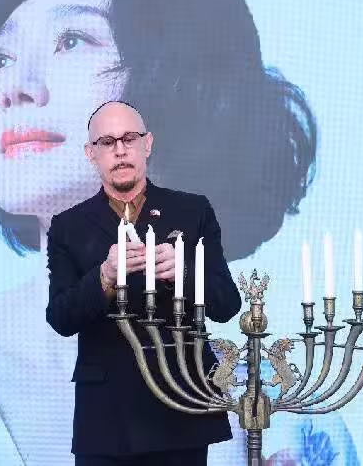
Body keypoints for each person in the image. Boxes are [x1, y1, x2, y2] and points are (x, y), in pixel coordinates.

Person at [0, 0, 358, 464]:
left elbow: (223, 302)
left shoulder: (282, 423)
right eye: (0, 59)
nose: (14, 87)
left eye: (72, 40)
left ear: (180, 82)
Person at [45, 100, 240, 465]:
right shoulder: (68, 226)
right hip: (106, 416)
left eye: (129, 139)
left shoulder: (193, 211)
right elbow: (61, 318)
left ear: (147, 144)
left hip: (181, 404)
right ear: (91, 153)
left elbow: (227, 304)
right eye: (107, 142)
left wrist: (183, 273)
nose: (120, 150)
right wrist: (104, 276)